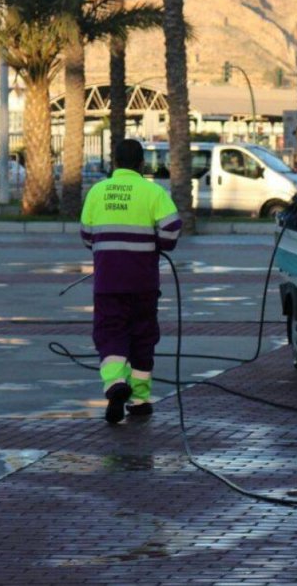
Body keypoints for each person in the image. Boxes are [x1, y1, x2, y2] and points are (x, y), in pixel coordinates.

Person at [80, 139, 182, 424]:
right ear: (141, 164)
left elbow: (87, 235)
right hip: (143, 283)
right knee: (142, 337)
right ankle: (139, 400)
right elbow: (172, 231)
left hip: (108, 282)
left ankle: (114, 385)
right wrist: (156, 242)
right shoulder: (153, 192)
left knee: (110, 332)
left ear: (114, 162)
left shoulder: (97, 192)